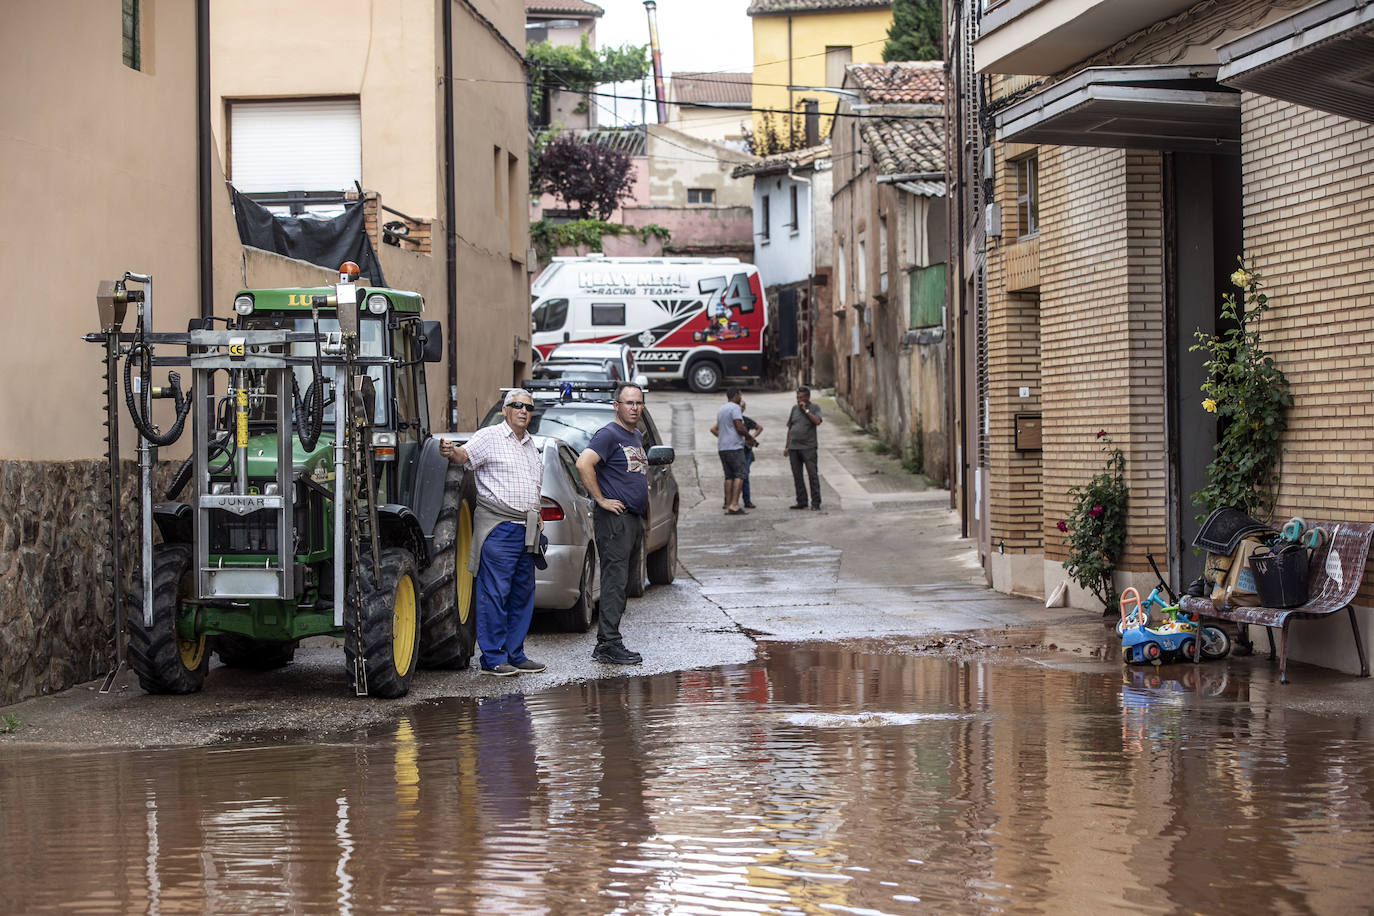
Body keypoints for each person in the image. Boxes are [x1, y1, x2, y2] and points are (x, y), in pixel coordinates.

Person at [439, 389, 545, 677]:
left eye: (529, 408)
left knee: (522, 594)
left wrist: (538, 516)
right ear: (505, 409)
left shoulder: (531, 445)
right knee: (495, 593)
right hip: (499, 528)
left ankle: (515, 654)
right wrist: (452, 451)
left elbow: (534, 488)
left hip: (528, 530)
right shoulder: (490, 436)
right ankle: (493, 658)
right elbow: (464, 456)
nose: (524, 411)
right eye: (517, 405)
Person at [575, 382, 649, 666]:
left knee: (622, 582)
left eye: (638, 403)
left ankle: (610, 639)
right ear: (616, 405)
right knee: (614, 581)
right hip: (615, 520)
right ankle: (607, 643)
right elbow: (584, 463)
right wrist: (602, 499)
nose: (634, 408)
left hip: (632, 519)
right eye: (629, 403)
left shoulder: (636, 435)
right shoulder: (608, 434)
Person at [713, 401, 762, 509]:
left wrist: (751, 437)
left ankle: (744, 500)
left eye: (742, 407)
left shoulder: (745, 420)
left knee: (741, 475)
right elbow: (714, 429)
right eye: (739, 407)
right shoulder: (732, 419)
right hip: (735, 449)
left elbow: (759, 427)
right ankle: (731, 503)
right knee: (736, 475)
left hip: (744, 451)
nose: (740, 409)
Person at [715, 387, 754, 515]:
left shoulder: (721, 409)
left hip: (722, 447)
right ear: (736, 395)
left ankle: (727, 505)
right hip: (734, 447)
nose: (741, 397)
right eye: (740, 395)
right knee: (740, 474)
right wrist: (749, 437)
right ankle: (735, 504)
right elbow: (739, 426)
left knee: (729, 476)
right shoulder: (735, 408)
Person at [785, 385, 823, 511]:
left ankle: (816, 502)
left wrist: (806, 410)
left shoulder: (814, 407)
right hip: (794, 448)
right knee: (797, 475)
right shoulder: (794, 409)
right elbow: (790, 428)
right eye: (797, 397)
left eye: (801, 397)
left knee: (812, 475)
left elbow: (817, 421)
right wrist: (787, 446)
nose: (798, 399)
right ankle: (801, 501)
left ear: (807, 397)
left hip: (809, 447)